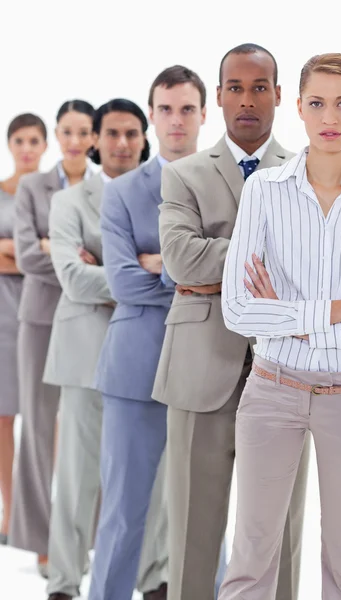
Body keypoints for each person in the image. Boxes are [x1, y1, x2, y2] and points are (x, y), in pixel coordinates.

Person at [219, 52, 341, 600]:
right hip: (273, 391)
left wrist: (291, 320)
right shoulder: (265, 190)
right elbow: (239, 310)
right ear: (298, 107)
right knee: (251, 558)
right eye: (316, 102)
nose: (329, 116)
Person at [153, 43, 309, 600]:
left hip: (288, 371)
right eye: (236, 88)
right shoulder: (185, 173)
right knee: (193, 532)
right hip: (200, 371)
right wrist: (266, 255)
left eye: (259, 87)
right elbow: (178, 258)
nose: (247, 99)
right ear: (218, 97)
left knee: (282, 534)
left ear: (279, 97)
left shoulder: (306, 172)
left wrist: (215, 261)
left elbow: (315, 269)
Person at [88, 65, 206, 600]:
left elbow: (240, 278)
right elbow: (123, 282)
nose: (176, 120)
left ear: (204, 114)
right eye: (165, 109)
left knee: (203, 519)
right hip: (134, 369)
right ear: (152, 115)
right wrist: (195, 275)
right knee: (122, 515)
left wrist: (160, 263)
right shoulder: (121, 192)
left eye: (186, 108)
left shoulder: (233, 185)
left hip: (209, 370)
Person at [43, 98, 168, 600]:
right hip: (84, 353)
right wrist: (134, 269)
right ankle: (64, 582)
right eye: (112, 133)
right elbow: (73, 278)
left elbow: (181, 272)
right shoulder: (69, 202)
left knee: (151, 478)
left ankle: (153, 576)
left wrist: (122, 267)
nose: (122, 143)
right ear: (94, 140)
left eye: (132, 133)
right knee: (78, 478)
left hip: (146, 353)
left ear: (145, 138)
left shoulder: (166, 197)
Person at [9, 99, 95, 577]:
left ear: (95, 137)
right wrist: (72, 256)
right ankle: (43, 541)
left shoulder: (106, 186)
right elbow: (25, 256)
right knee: (39, 431)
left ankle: (85, 536)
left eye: (85, 131)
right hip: (40, 320)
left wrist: (53, 246)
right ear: (56, 137)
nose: (76, 140)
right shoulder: (34, 188)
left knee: (89, 433)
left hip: (93, 319)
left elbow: (108, 253)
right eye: (68, 131)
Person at [0, 113, 48, 545]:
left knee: (43, 417)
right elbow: (39, 253)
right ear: (10, 144)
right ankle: (11, 515)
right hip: (1, 313)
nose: (27, 148)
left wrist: (20, 251)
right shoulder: (2, 193)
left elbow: (72, 251)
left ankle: (40, 520)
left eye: (35, 140)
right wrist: (31, 250)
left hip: (42, 309)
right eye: (20, 140)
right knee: (3, 417)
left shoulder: (54, 194)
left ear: (45, 144)